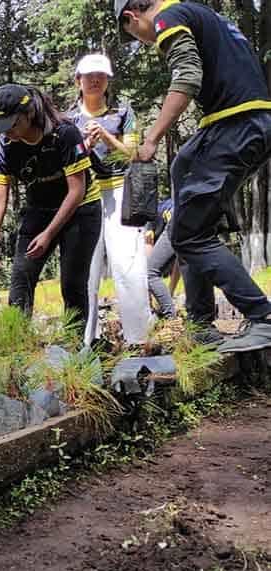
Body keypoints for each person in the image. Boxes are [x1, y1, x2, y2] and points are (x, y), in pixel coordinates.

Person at [116, 0, 271, 352]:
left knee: (189, 236)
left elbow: (186, 75)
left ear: (131, 17)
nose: (142, 41)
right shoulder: (202, 13)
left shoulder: (168, 18)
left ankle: (262, 317)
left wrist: (152, 137)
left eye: (134, 35)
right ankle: (201, 324)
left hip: (237, 125)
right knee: (181, 166)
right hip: (241, 122)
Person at [0, 83, 100, 333]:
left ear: (29, 114)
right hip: (39, 209)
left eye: (12, 125)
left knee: (72, 284)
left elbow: (76, 191)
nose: (7, 133)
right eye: (2, 128)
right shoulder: (6, 147)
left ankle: (73, 353)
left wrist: (49, 234)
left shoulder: (64, 134)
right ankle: (18, 345)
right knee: (21, 277)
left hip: (80, 208)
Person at [67, 54, 153, 348]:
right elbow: (62, 162)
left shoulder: (122, 112)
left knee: (129, 266)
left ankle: (139, 339)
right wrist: (83, 147)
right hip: (82, 196)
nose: (94, 81)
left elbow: (133, 153)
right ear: (78, 80)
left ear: (107, 81)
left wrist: (105, 136)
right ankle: (85, 341)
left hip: (120, 192)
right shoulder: (67, 119)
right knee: (84, 271)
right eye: (88, 76)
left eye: (100, 76)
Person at [145, 198, 180, 319]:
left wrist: (150, 294)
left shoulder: (149, 216)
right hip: (191, 214)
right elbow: (179, 260)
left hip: (176, 220)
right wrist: (170, 291)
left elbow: (148, 263)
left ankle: (171, 319)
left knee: (149, 273)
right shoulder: (161, 208)